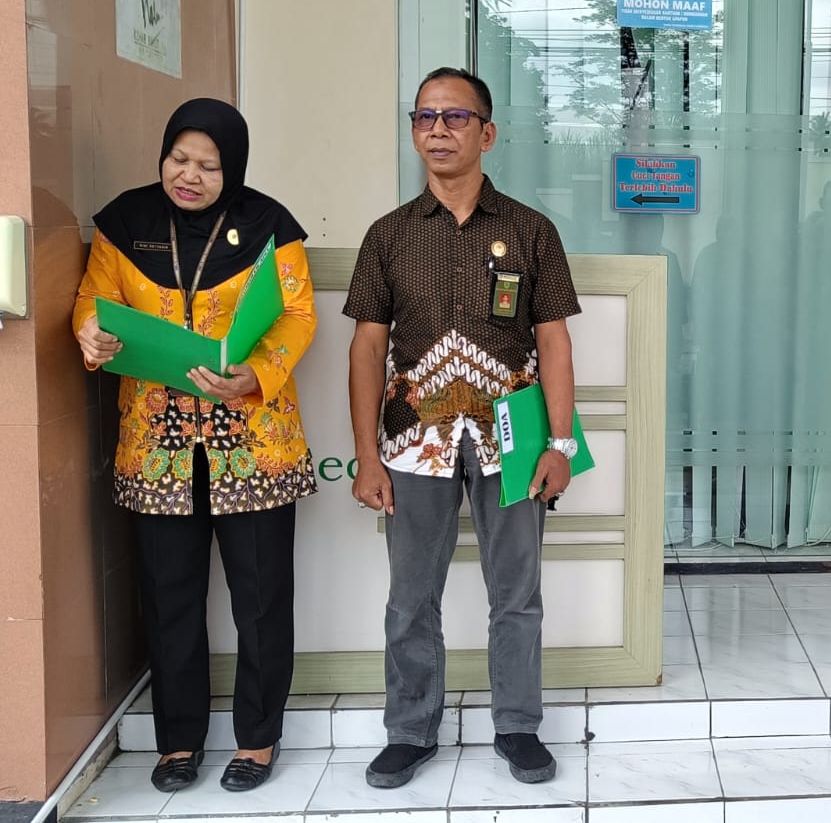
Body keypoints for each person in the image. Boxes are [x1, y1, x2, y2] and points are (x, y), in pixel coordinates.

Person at [345, 68, 581, 788]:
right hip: (413, 438)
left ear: (488, 133)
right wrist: (366, 456)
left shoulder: (531, 231)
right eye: (425, 116)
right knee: (410, 596)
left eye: (455, 116)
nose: (438, 129)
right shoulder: (387, 236)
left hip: (513, 438)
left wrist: (560, 445)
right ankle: (411, 730)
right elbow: (366, 349)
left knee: (517, 592)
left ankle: (518, 726)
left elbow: (554, 342)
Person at [72, 98, 317, 792]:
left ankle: (258, 739)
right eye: (179, 159)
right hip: (158, 446)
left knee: (261, 599)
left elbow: (297, 315)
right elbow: (92, 300)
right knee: (168, 596)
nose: (190, 175)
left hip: (253, 443)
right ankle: (177, 741)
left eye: (209, 165)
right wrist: (90, 333)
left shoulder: (269, 225)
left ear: (232, 168)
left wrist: (257, 372)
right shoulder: (124, 223)